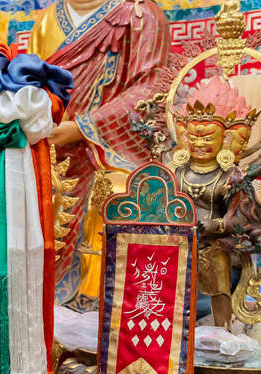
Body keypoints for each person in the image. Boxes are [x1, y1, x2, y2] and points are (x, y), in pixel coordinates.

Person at [29, 0, 171, 308]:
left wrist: (83, 128)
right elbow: (30, 85)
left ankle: (105, 306)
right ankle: (38, 300)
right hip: (49, 146)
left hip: (113, 149)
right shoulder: (48, 19)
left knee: (115, 197)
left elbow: (152, 89)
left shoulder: (141, 14)